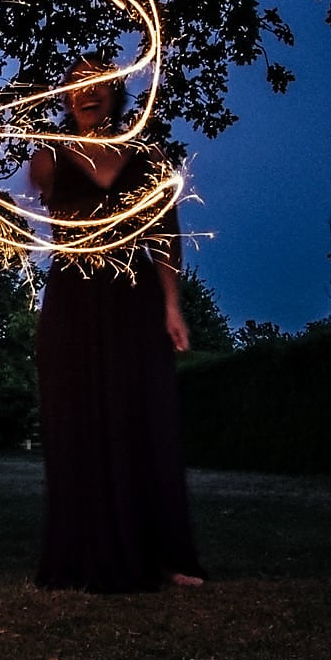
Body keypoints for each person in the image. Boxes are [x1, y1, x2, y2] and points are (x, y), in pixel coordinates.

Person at [27, 57, 204, 593]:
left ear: (119, 93)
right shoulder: (47, 157)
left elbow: (167, 237)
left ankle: (160, 554)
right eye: (78, 82)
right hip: (74, 297)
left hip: (133, 297)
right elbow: (34, 221)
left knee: (142, 417)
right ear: (66, 96)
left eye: (102, 82)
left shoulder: (149, 158)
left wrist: (172, 306)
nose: (90, 91)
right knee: (76, 415)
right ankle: (80, 553)